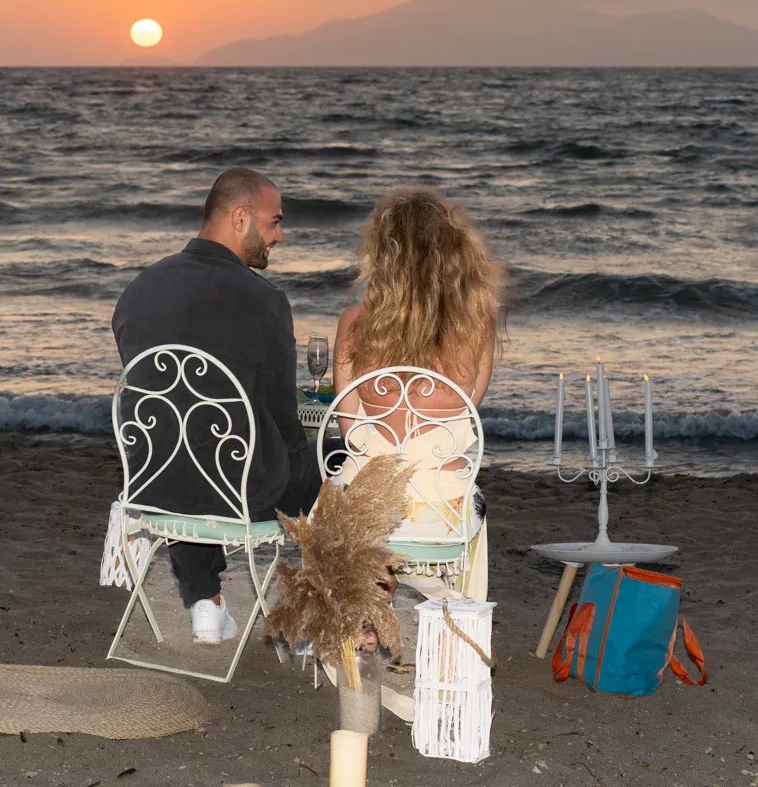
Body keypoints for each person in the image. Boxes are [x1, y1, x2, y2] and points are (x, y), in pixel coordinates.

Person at [112, 167, 321, 645]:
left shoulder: (137, 292)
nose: (280, 237)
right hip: (239, 492)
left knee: (189, 442)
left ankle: (205, 601)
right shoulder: (264, 300)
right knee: (335, 459)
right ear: (240, 218)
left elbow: (153, 399)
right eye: (274, 222)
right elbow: (284, 420)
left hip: (153, 482)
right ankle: (331, 612)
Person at [329, 187, 503, 594]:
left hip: (369, 508)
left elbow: (351, 432)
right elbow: (467, 411)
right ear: (453, 253)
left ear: (382, 255)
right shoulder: (479, 324)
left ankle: (369, 602)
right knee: (467, 501)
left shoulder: (353, 322)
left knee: (334, 497)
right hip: (444, 510)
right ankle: (449, 603)